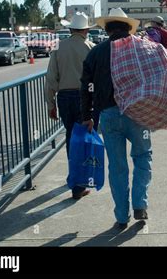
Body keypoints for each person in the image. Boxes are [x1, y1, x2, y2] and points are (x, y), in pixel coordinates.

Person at [80, 8, 152, 229]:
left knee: (118, 166)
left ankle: (122, 216)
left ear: (108, 29)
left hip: (109, 114)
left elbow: (86, 86)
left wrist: (88, 116)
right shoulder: (142, 48)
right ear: (128, 28)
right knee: (142, 156)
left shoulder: (96, 52)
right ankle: (140, 205)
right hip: (137, 112)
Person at [45, 12, 96, 200]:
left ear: (70, 29)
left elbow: (51, 78)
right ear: (86, 30)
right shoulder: (91, 48)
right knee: (84, 140)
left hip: (64, 97)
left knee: (71, 138)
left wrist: (50, 104)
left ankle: (74, 180)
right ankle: (79, 185)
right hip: (85, 98)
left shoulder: (59, 47)